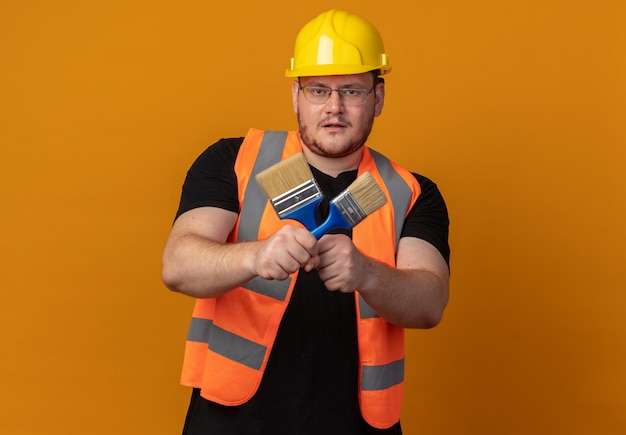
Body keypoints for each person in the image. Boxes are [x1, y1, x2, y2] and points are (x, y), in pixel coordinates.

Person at [162, 8, 450, 435]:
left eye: (352, 91)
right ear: (295, 95)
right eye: (318, 90)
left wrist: (366, 272)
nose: (334, 107)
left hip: (357, 425)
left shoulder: (409, 191)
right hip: (231, 421)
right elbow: (178, 266)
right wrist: (255, 256)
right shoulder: (235, 160)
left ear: (379, 97)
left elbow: (429, 303)